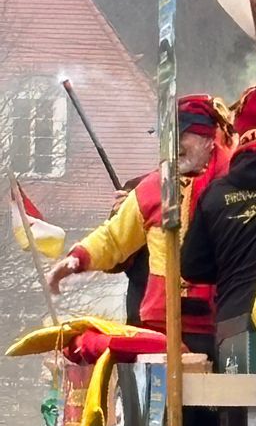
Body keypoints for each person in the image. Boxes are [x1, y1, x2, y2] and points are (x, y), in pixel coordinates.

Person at [47, 98, 232, 349]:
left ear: (208, 139)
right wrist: (77, 258)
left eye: (182, 134)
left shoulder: (232, 183)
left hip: (222, 325)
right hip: (161, 325)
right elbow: (113, 238)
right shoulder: (152, 187)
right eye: (167, 136)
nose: (173, 144)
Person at [181, 84, 256, 369]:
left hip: (234, 322)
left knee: (237, 410)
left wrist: (229, 261)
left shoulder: (214, 194)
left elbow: (192, 267)